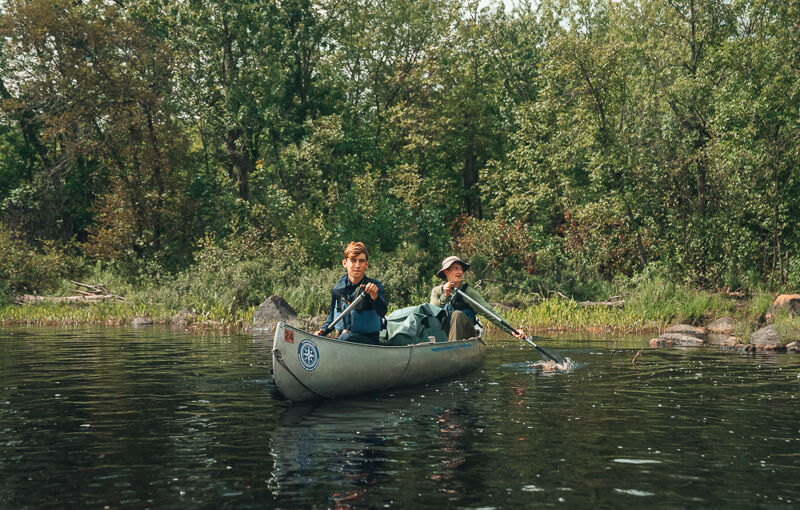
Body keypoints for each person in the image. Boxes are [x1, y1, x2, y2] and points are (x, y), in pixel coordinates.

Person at [430, 256, 526, 342]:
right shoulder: (437, 291)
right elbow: (432, 314)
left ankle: (453, 348)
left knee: (457, 314)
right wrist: (445, 295)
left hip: (466, 335)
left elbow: (489, 312)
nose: (460, 272)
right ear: (446, 271)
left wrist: (512, 331)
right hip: (445, 334)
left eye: (461, 269)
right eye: (456, 269)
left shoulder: (468, 292)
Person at [315, 242, 388, 345]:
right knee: (344, 337)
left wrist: (374, 297)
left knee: (347, 337)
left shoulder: (374, 286)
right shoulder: (338, 289)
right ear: (345, 263)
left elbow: (382, 312)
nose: (357, 265)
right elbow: (333, 316)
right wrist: (323, 330)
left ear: (366, 264)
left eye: (361, 261)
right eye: (353, 260)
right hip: (344, 339)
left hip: (370, 341)